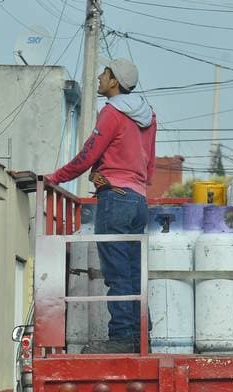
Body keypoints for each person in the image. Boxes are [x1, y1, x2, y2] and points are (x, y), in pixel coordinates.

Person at [45, 58, 156, 353]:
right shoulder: (149, 116)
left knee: (117, 273)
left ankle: (121, 338)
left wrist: (55, 178)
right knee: (133, 272)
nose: (99, 76)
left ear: (115, 81)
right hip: (138, 200)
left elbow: (88, 154)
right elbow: (151, 163)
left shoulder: (111, 113)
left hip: (115, 200)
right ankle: (141, 336)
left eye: (104, 74)